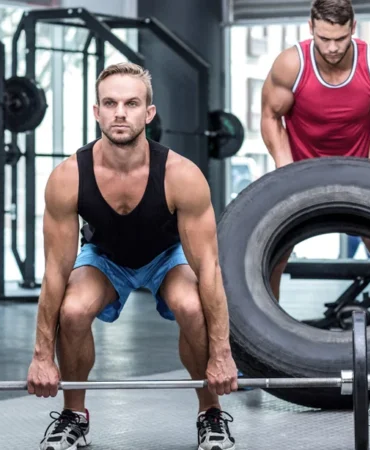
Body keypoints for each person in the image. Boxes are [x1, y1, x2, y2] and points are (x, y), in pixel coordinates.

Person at [27, 62, 238, 450]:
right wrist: (42, 356)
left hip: (165, 256)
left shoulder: (181, 174)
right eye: (110, 103)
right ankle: (75, 416)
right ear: (96, 112)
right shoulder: (68, 176)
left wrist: (222, 355)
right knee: (72, 310)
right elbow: (55, 271)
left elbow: (208, 269)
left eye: (131, 103)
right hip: (105, 259)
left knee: (191, 307)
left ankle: (209, 412)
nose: (120, 113)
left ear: (149, 113)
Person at [261, 0, 370, 315]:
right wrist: (285, 171)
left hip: (359, 171)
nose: (332, 48)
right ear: (311, 28)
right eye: (324, 39)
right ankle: (264, 347)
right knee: (272, 256)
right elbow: (271, 117)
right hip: (301, 171)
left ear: (353, 28)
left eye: (340, 39)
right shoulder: (291, 64)